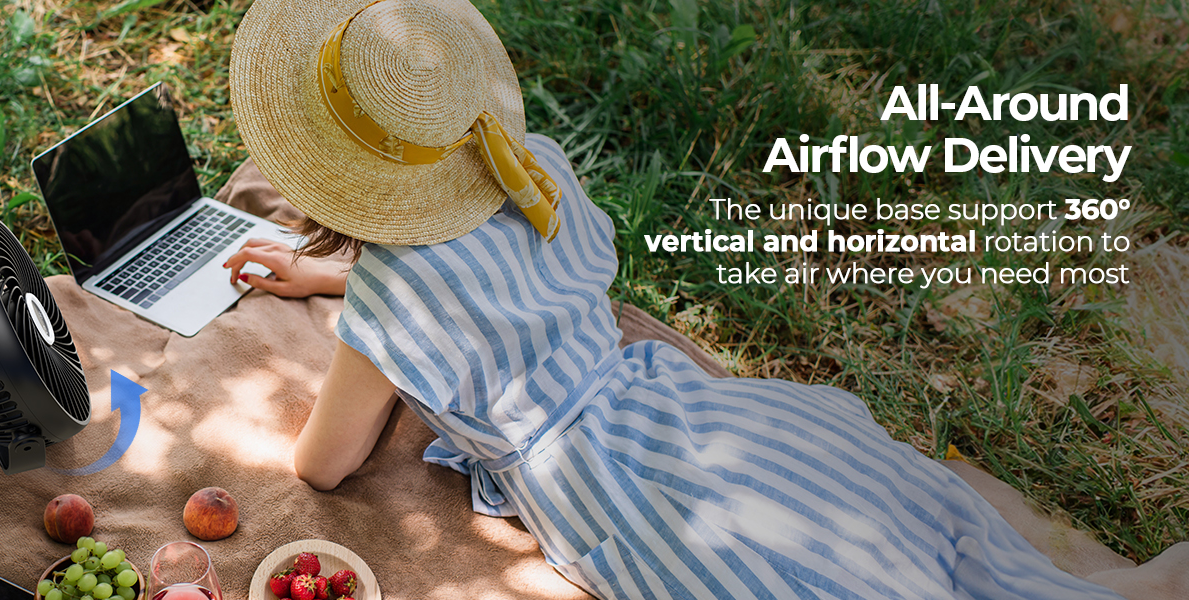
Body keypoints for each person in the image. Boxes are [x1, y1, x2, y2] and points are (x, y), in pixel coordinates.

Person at [220, 0, 1151, 597]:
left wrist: (356, 309)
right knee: (884, 507)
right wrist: (333, 276)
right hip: (680, 404)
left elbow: (325, 464)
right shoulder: (527, 164)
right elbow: (485, 282)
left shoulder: (397, 290)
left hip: (604, 484)